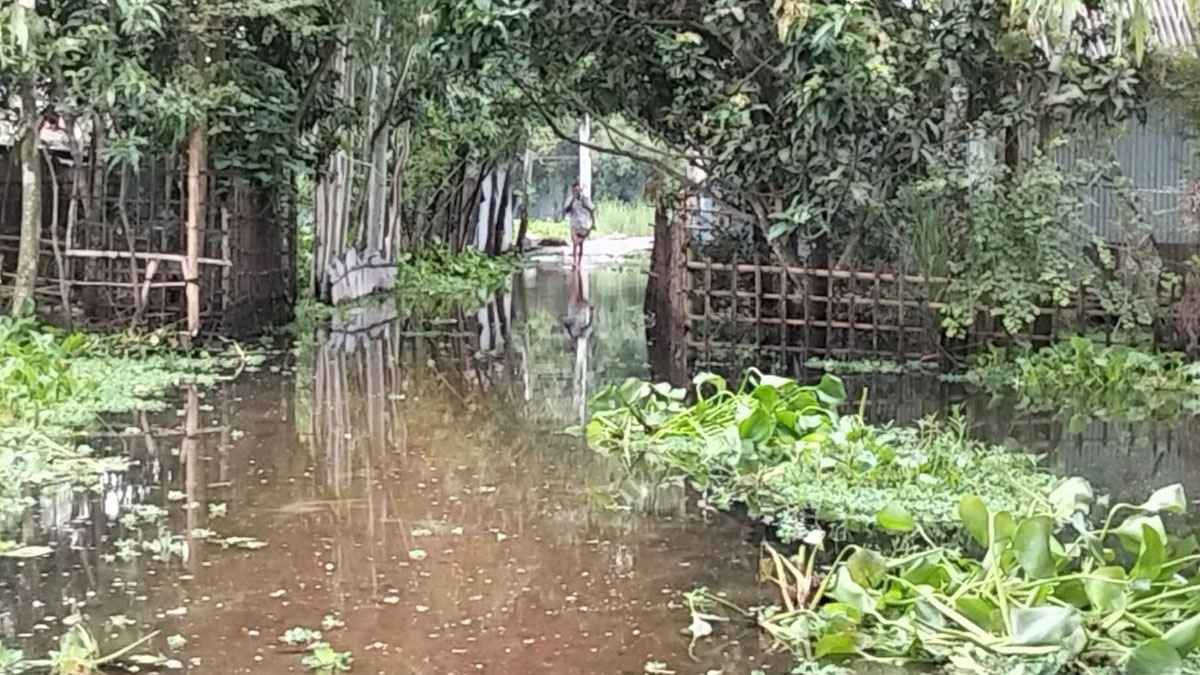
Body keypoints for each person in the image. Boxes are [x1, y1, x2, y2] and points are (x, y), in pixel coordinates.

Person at [563, 181, 595, 267]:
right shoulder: (570, 199)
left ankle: (579, 263)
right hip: (574, 224)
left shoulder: (585, 199)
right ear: (572, 190)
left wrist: (593, 223)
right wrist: (573, 199)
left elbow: (592, 209)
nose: (576, 192)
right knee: (575, 243)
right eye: (574, 191)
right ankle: (574, 262)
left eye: (578, 190)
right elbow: (566, 209)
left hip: (584, 225)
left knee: (581, 245)